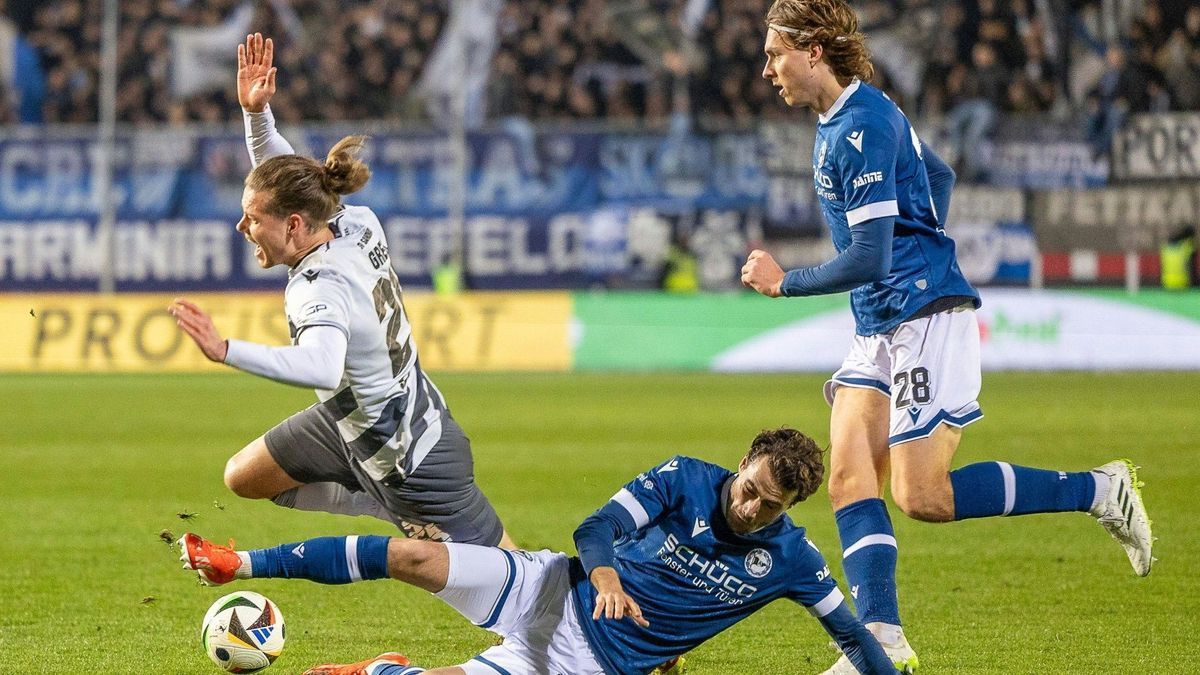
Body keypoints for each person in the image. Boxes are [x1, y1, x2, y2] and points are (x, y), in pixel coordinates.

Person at [741, 2, 1153, 672]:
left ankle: (1100, 489)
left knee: (921, 496)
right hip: (878, 322)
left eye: (774, 54)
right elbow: (938, 177)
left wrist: (785, 282)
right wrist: (924, 238)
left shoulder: (863, 124)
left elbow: (872, 256)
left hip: (925, 315)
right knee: (847, 475)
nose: (766, 69)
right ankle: (882, 638)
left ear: (813, 50)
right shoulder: (839, 121)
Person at [178, 428, 900, 675]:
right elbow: (595, 528)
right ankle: (240, 564)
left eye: (768, 505)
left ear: (790, 509)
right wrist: (609, 574)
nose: (751, 506)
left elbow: (850, 634)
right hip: (553, 583)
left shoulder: (794, 560)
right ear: (742, 463)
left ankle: (389, 669)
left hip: (584, 661)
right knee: (414, 555)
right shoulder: (686, 476)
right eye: (750, 488)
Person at [169, 33, 514, 549]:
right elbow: (289, 175)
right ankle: (375, 501)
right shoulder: (353, 221)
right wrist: (256, 114)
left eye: (251, 219)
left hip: (406, 453)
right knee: (244, 476)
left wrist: (226, 351)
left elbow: (323, 366)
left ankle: (399, 504)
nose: (241, 227)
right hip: (354, 418)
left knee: (510, 573)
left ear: (291, 226)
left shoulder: (317, 287)